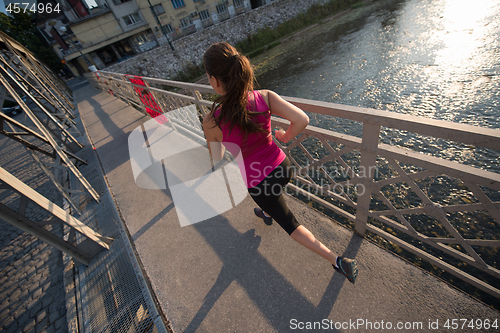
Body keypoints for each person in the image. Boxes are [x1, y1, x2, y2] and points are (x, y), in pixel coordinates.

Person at [202, 42, 358, 284]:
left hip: (259, 182)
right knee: (273, 200)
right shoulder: (264, 97)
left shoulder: (212, 120)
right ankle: (266, 211)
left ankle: (338, 261)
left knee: (291, 224)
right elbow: (302, 119)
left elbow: (217, 157)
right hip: (283, 167)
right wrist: (284, 136)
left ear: (214, 81)